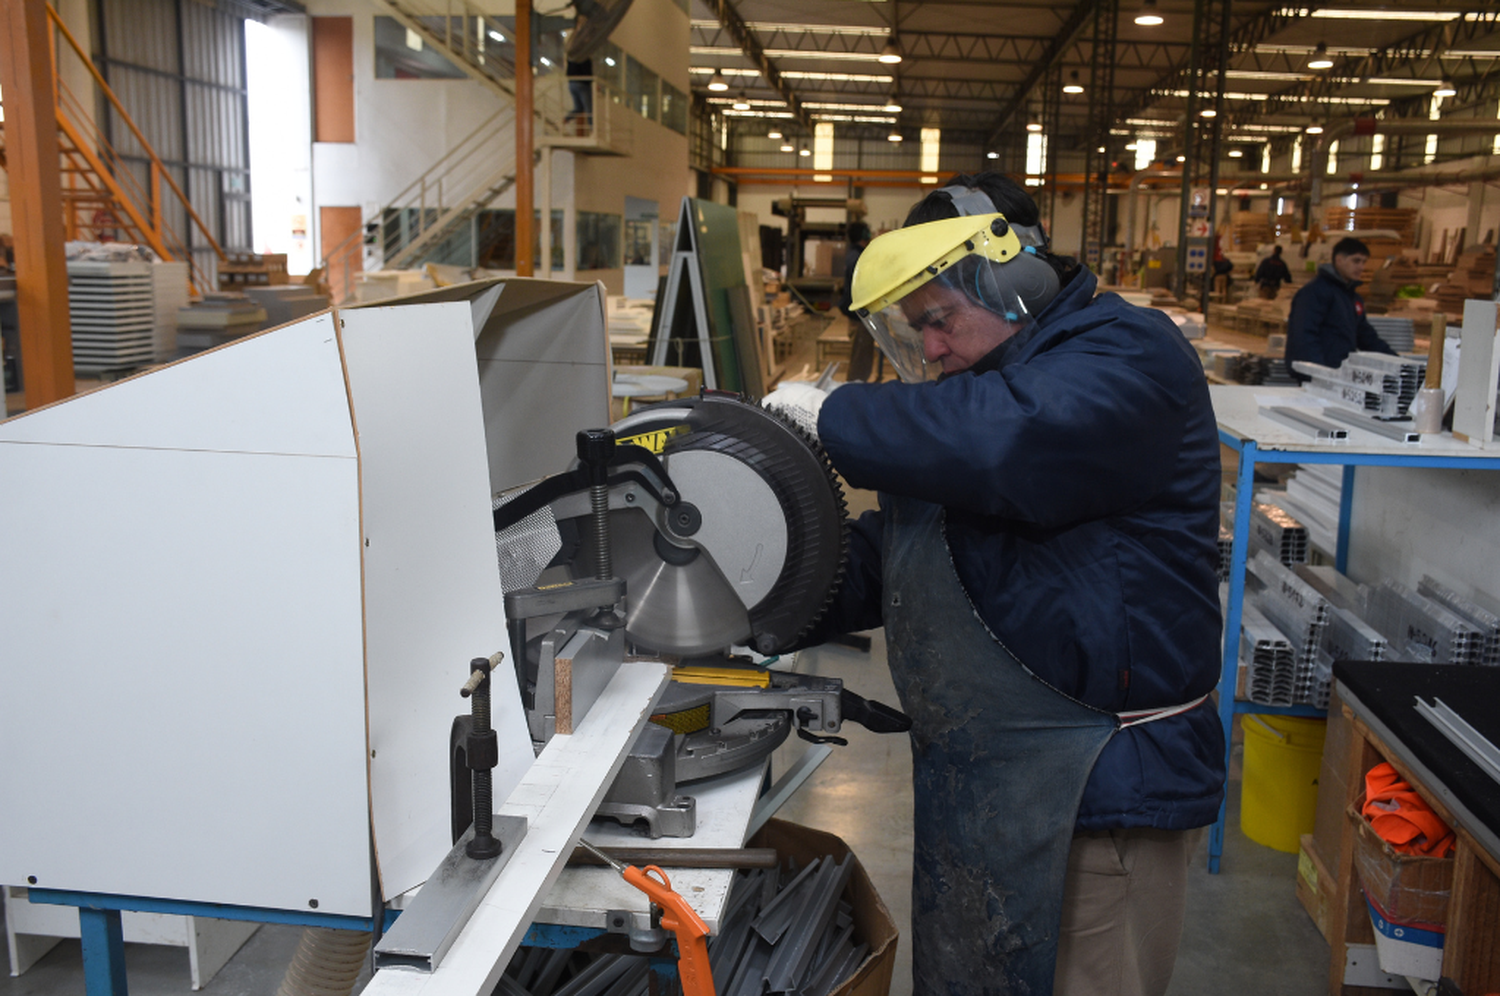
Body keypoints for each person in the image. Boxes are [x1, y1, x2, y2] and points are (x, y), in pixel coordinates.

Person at [764, 172, 1225, 996]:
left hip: (1100, 791)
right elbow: (904, 554)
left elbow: (1010, 442)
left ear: (1016, 281)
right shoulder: (979, 392)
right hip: (989, 787)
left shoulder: (1126, 357)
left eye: (939, 321)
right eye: (916, 331)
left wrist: (830, 417)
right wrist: (756, 596)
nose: (931, 350)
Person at [1286, 236, 1396, 378]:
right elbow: (1304, 334)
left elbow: (1367, 337)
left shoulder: (1351, 298)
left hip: (1339, 374)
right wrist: (1318, 373)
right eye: (1356, 261)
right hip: (1318, 374)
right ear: (1339, 260)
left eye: (1364, 262)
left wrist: (1398, 363)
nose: (1361, 267)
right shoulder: (1315, 292)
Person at [837, 221, 876, 381]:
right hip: (861, 314)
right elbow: (862, 287)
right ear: (865, 235)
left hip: (856, 313)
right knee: (862, 356)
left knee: (859, 354)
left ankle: (855, 385)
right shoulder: (859, 258)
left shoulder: (854, 254)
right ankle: (855, 388)